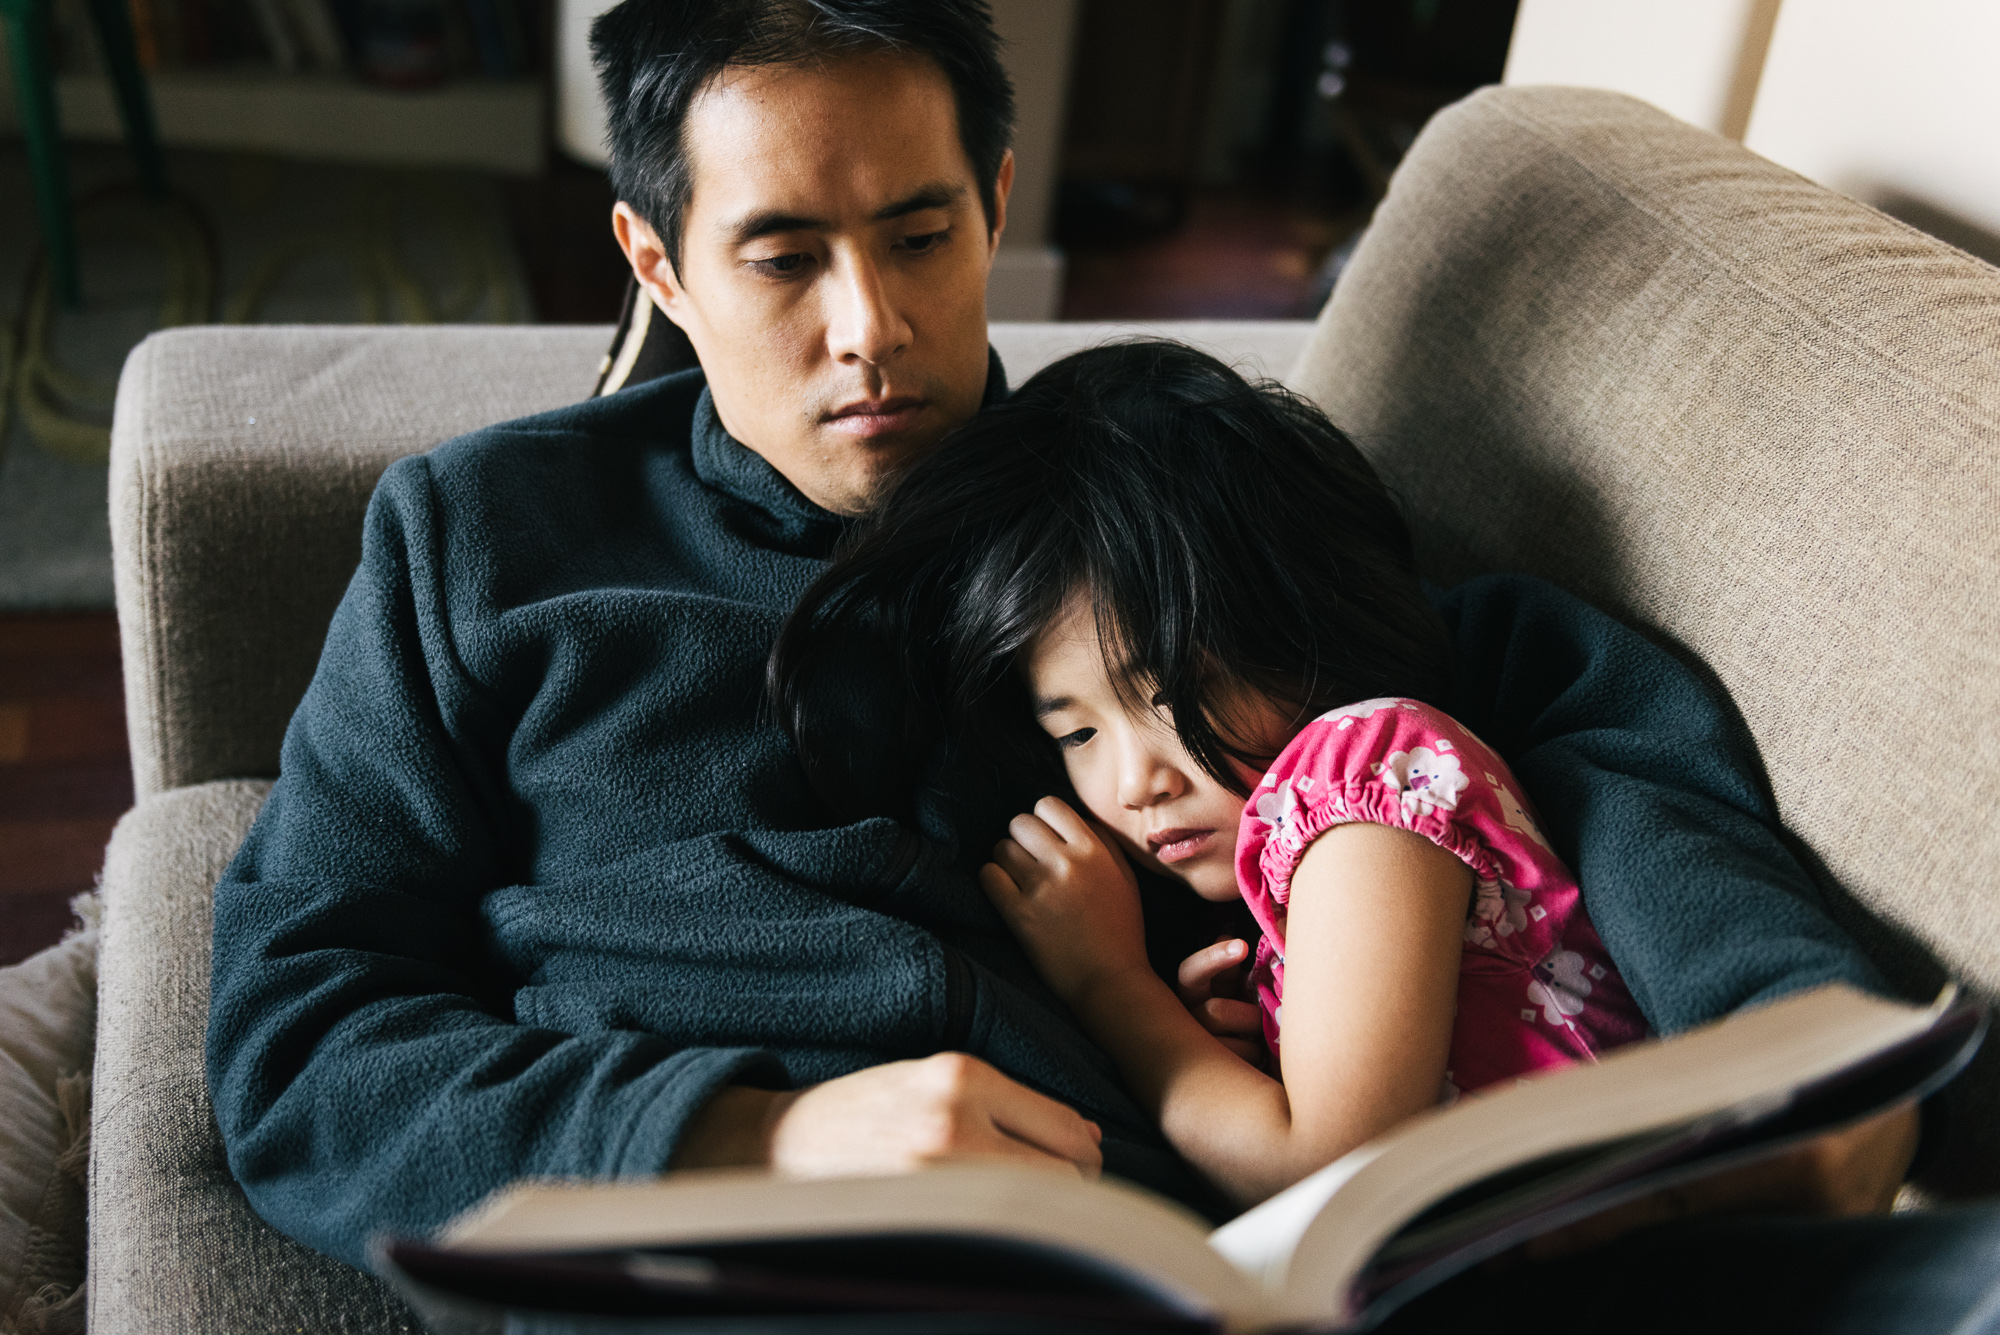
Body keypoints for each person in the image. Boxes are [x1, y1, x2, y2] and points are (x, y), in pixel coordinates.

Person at [201, 0, 1955, 1314]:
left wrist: (1772, 1017)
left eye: (919, 234)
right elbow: (302, 1038)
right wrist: (744, 1137)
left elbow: (1518, 702)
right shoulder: (483, 542)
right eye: (781, 258)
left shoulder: (1128, 527)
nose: (869, 331)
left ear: (998, 197)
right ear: (656, 262)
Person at [771, 341, 1659, 1205]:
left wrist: (1113, 986)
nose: (1135, 782)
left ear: (1296, 634)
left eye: (1171, 695)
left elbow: (1324, 1176)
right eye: (1077, 734)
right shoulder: (1300, 847)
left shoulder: (1362, 784)